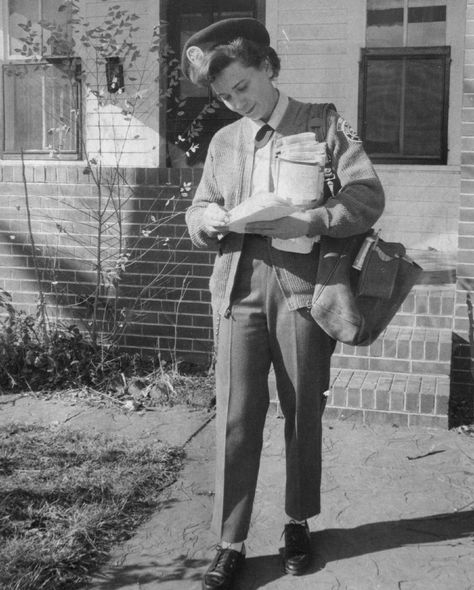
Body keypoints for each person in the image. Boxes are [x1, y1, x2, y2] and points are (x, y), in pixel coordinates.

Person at [183, 18, 385, 590]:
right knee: (236, 418)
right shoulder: (225, 141)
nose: (236, 102)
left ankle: (298, 522)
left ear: (270, 67)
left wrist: (313, 219)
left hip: (302, 292)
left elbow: (367, 196)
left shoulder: (322, 123)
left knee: (302, 414)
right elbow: (199, 207)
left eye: (242, 87)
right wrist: (208, 221)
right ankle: (230, 541)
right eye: (223, 96)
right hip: (238, 290)